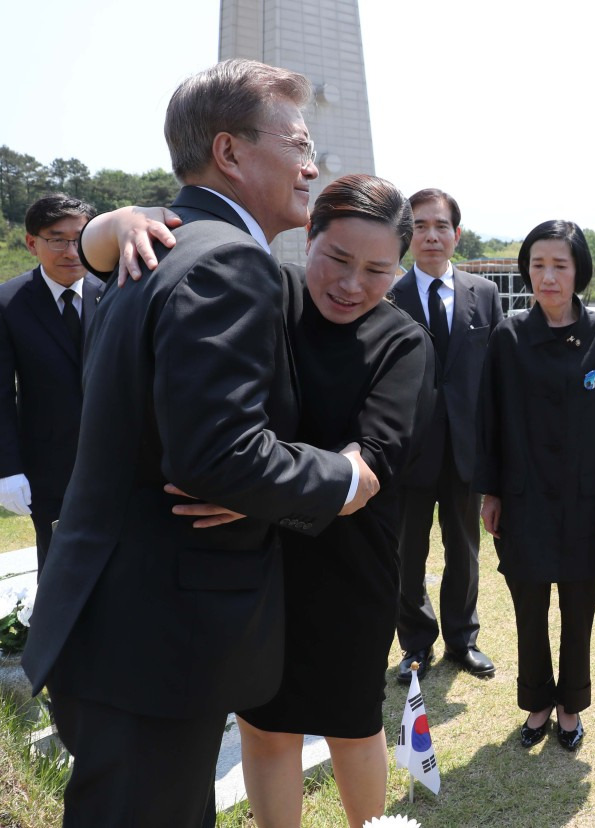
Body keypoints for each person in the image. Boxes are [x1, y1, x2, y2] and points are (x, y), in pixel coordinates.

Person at [21, 59, 379, 828]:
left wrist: (97, 234)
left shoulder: (150, 245)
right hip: (159, 632)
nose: (314, 165)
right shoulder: (226, 259)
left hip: (116, 621)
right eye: (298, 141)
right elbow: (218, 455)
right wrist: (343, 478)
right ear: (230, 152)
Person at [79, 174, 436, 828]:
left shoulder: (403, 342)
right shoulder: (265, 292)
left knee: (351, 724)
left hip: (349, 563)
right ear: (308, 238)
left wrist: (254, 496)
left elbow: (368, 468)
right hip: (250, 563)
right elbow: (99, 253)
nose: (352, 283)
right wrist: (123, 220)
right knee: (265, 726)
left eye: (378, 270)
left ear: (401, 268)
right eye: (337, 259)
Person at [475, 220, 595, 750]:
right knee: (528, 605)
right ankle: (537, 702)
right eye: (538, 264)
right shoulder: (509, 335)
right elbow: (490, 420)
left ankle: (571, 707)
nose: (547, 276)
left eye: (559, 265)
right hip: (523, 498)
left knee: (579, 605)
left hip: (586, 500)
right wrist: (491, 491)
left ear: (578, 271)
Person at [391, 188, 503, 683]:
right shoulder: (389, 296)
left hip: (466, 451)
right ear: (407, 234)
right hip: (407, 452)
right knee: (406, 554)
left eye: (440, 226)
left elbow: (498, 378)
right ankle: (415, 644)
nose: (430, 235)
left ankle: (463, 640)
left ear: (457, 235)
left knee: (464, 550)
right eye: (419, 226)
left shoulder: (485, 294)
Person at [0, 194, 101, 576]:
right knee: (60, 571)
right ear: (32, 243)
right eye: (57, 239)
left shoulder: (117, 291)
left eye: (80, 238)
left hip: (121, 461)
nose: (71, 251)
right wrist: (7, 470)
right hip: (49, 468)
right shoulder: (8, 303)